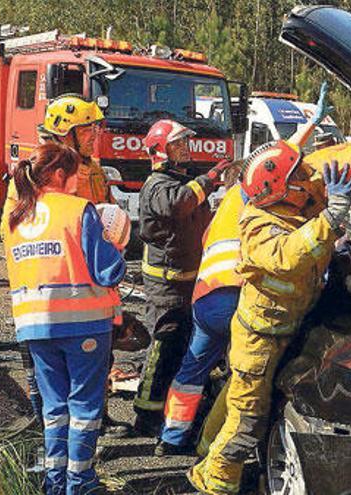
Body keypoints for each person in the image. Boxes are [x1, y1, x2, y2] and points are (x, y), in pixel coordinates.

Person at [187, 136, 351, 494]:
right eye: (299, 174)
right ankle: (215, 483)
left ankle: (205, 456)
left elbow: (325, 187)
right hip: (260, 340)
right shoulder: (258, 225)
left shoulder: (291, 206)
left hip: (281, 330)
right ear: (280, 186)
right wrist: (330, 218)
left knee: (240, 401)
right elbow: (288, 255)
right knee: (246, 421)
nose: (307, 178)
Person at [2, 143, 125, 494]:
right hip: (83, 323)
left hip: (34, 326)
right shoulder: (77, 210)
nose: (78, 181)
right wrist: (116, 243)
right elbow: (108, 270)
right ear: (59, 175)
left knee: (54, 406)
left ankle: (55, 481)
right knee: (85, 406)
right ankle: (81, 481)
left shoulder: (16, 217)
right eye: (76, 175)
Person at [132, 119, 233, 435]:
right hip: (166, 286)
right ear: (161, 151)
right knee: (163, 348)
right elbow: (179, 204)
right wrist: (211, 178)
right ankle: (145, 415)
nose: (186, 149)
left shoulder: (179, 182)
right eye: (178, 144)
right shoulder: (158, 186)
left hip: (187, 281)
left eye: (186, 143)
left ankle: (171, 411)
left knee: (184, 349)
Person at [156, 182, 247, 456]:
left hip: (206, 299)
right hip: (242, 298)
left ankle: (171, 437)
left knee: (192, 371)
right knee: (249, 374)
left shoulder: (223, 212)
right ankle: (224, 442)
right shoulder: (264, 199)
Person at [38, 94, 112, 204]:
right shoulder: (43, 174)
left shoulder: (95, 170)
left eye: (94, 128)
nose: (93, 136)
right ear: (63, 135)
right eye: (86, 131)